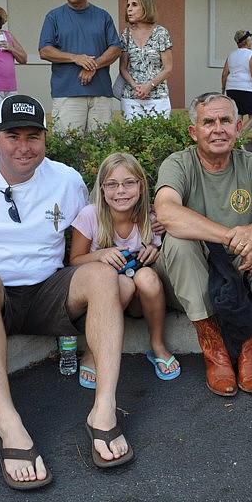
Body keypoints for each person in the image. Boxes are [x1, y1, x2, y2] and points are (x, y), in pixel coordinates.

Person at [0, 94, 133, 486]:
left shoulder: (67, 180)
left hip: (45, 290)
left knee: (106, 276)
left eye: (33, 136)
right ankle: (9, 424)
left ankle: (103, 409)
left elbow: (89, 233)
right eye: (13, 136)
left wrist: (148, 228)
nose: (24, 146)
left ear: (45, 138)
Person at [153, 92, 252, 396]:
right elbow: (167, 212)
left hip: (241, 268)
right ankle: (216, 350)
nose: (218, 128)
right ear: (193, 132)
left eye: (225, 120)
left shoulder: (251, 164)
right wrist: (234, 236)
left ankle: (251, 349)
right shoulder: (179, 164)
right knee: (179, 241)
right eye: (208, 122)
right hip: (193, 271)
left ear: (239, 127)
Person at [70, 152, 178, 383]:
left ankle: (157, 345)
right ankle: (93, 349)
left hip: (141, 302)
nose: (120, 191)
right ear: (101, 188)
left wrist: (155, 252)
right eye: (112, 184)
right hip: (105, 300)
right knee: (123, 284)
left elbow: (166, 251)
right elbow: (75, 260)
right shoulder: (90, 216)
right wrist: (101, 254)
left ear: (141, 186)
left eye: (129, 183)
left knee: (146, 277)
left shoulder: (151, 217)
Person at [38, 0, 121, 133]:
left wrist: (93, 65)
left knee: (100, 148)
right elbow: (45, 51)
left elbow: (116, 49)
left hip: (101, 94)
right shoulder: (54, 16)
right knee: (68, 148)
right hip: (67, 94)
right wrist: (75, 58)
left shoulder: (103, 16)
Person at [118, 0, 173, 121]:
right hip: (131, 97)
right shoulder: (126, 34)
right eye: (128, 6)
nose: (129, 9)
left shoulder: (161, 33)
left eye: (134, 5)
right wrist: (134, 86)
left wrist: (149, 86)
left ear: (146, 7)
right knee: (133, 138)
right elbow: (123, 68)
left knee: (158, 138)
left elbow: (168, 68)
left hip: (158, 97)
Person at [222, 30, 252, 134]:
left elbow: (224, 73)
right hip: (245, 88)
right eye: (251, 39)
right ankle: (238, 138)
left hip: (231, 88)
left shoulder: (231, 55)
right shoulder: (250, 54)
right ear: (247, 41)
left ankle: (235, 140)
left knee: (238, 115)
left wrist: (223, 88)